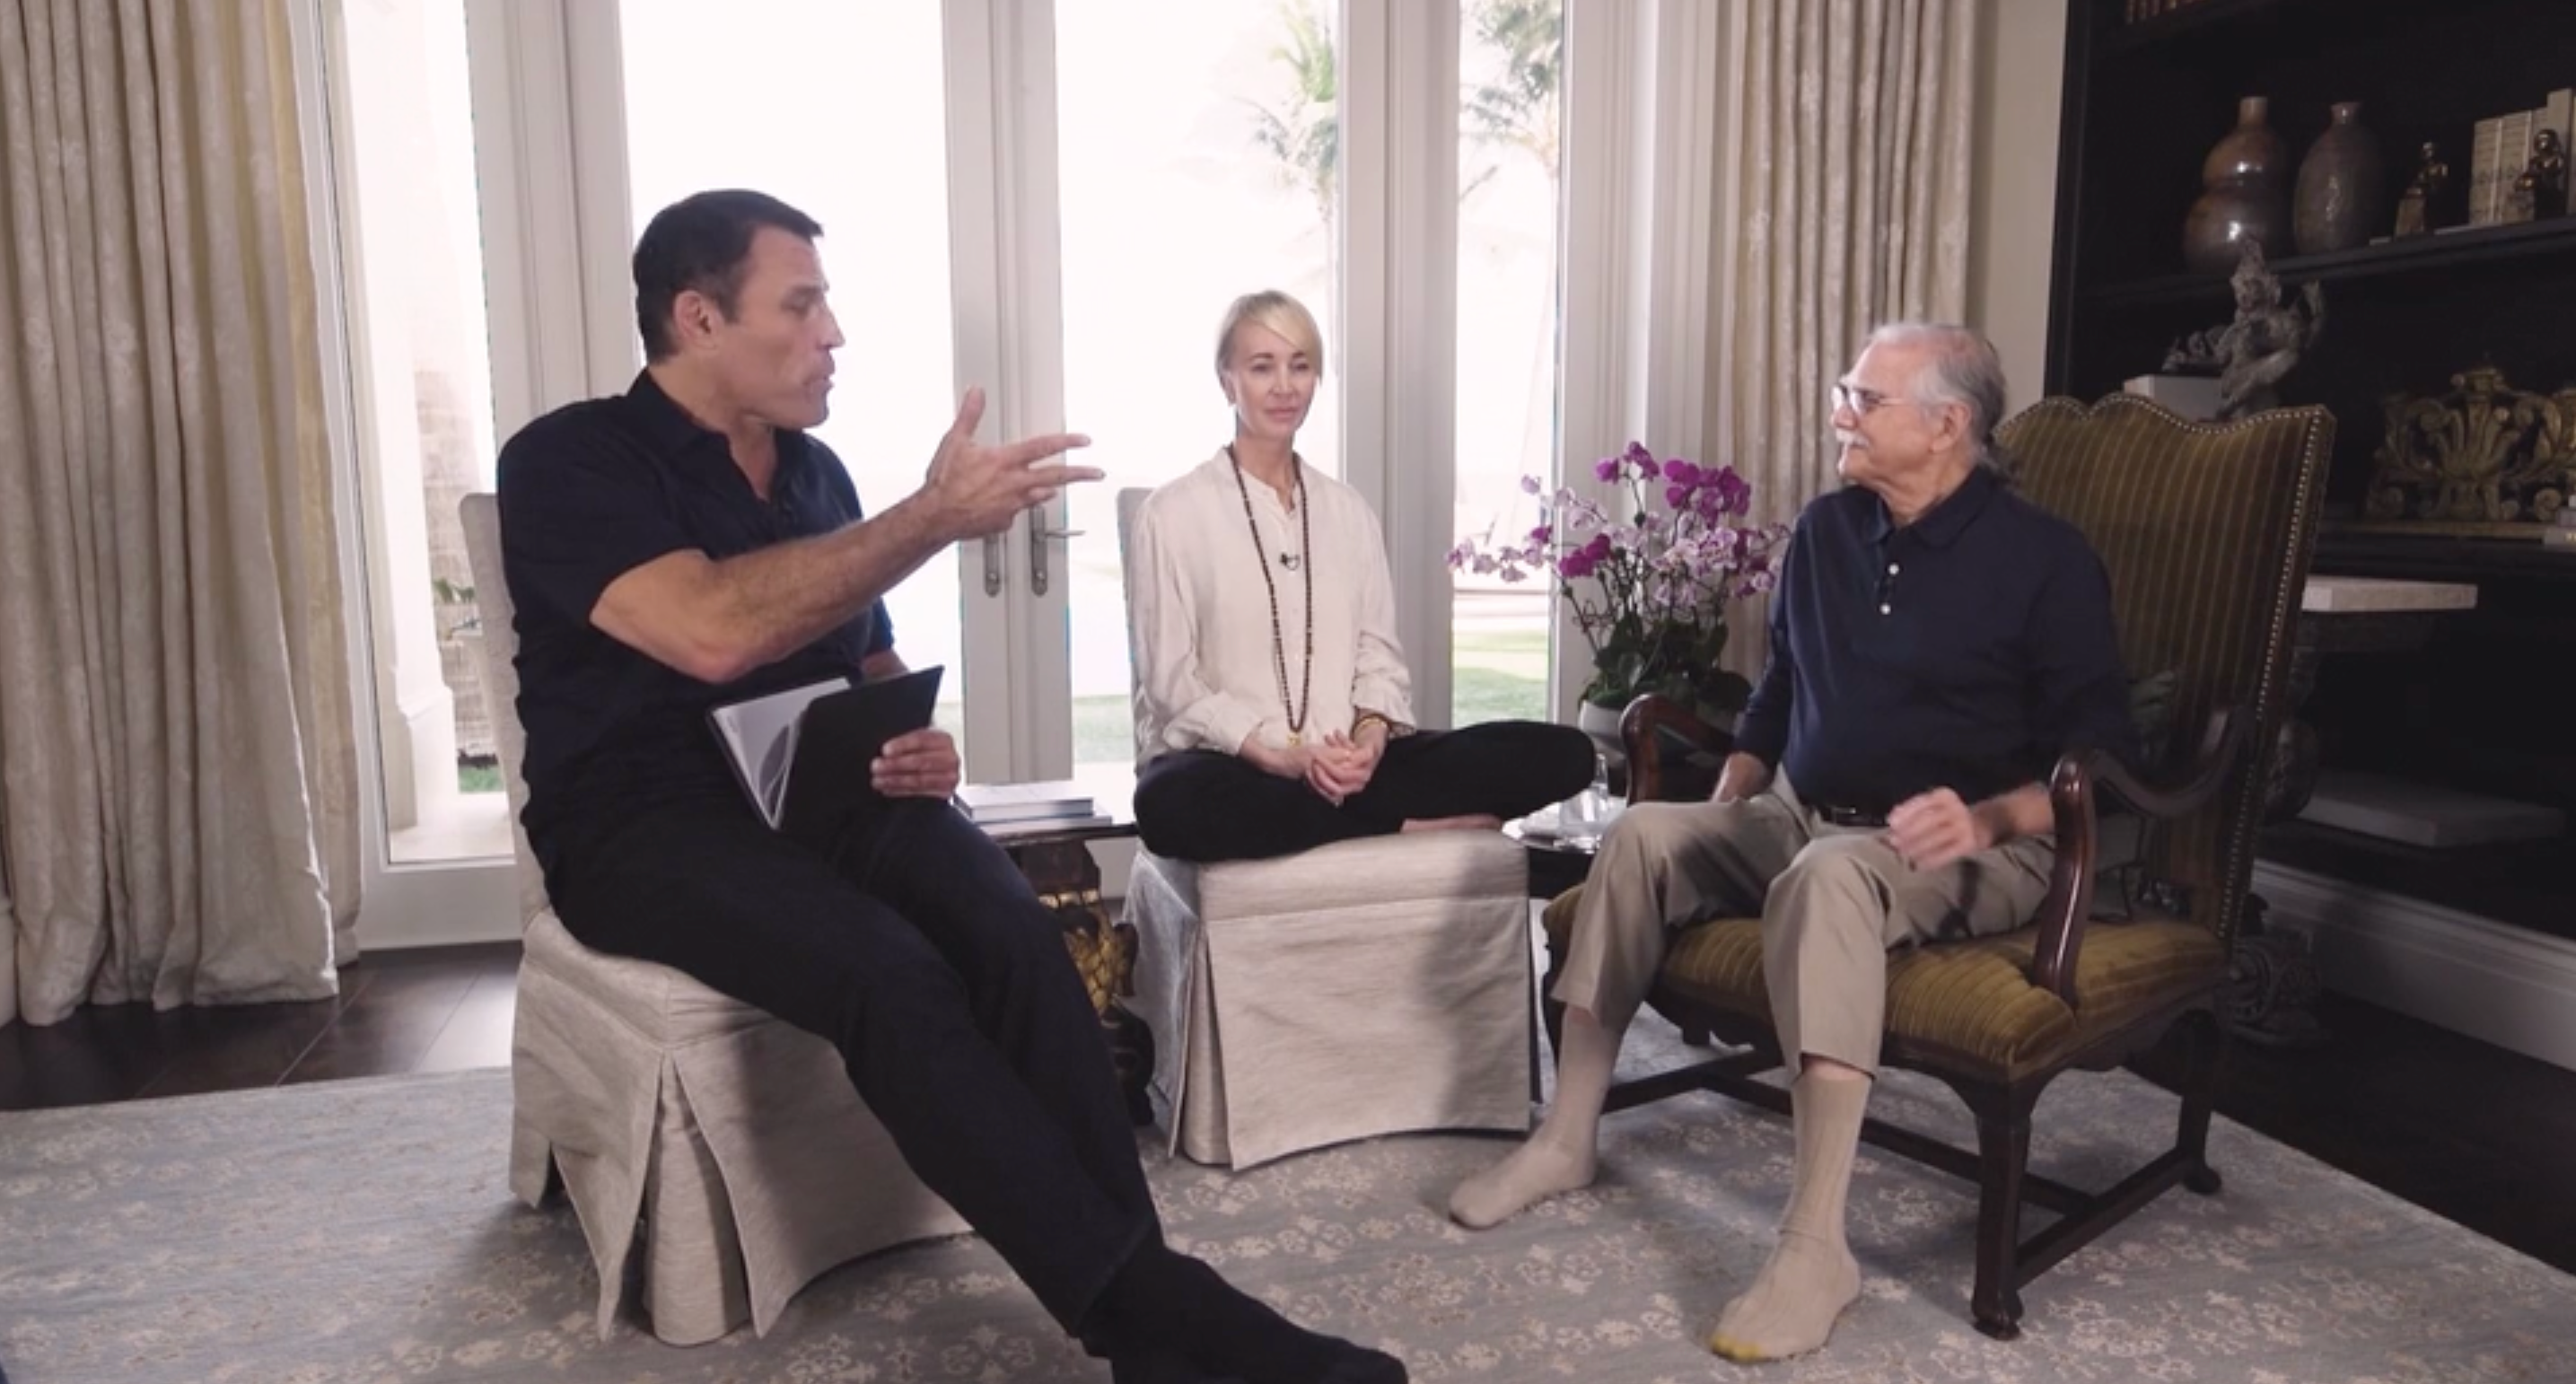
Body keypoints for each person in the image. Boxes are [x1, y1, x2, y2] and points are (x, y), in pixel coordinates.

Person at [496, 189, 1406, 1384]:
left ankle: (1135, 1283)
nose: (833, 333)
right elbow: (711, 631)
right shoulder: (568, 459)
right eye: (803, 303)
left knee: (1014, 941)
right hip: (644, 827)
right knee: (889, 971)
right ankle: (1157, 1314)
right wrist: (931, 516)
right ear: (697, 316)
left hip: (829, 789)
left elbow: (860, 654)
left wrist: (915, 735)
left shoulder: (812, 470)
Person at [1445, 323, 2136, 1363]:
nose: (1837, 415)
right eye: (1842, 392)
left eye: (1863, 398)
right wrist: (1736, 781)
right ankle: (1565, 1137)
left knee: (1824, 880)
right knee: (1640, 838)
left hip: (1971, 848)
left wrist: (1989, 818)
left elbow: (2101, 757)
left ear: (1949, 426)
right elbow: (1777, 692)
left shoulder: (2042, 561)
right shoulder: (1824, 530)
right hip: (1808, 812)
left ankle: (1815, 1247)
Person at [1127, 289, 1595, 863]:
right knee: (1167, 805)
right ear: (1227, 381)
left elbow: (1377, 655)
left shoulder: (1348, 511)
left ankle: (1349, 812)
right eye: (1261, 367)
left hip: (1352, 764)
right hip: (1235, 766)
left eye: (1300, 366)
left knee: (1566, 753)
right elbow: (1172, 682)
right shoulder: (1172, 514)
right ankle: (1394, 824)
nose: (1284, 386)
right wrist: (1279, 757)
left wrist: (1370, 745)